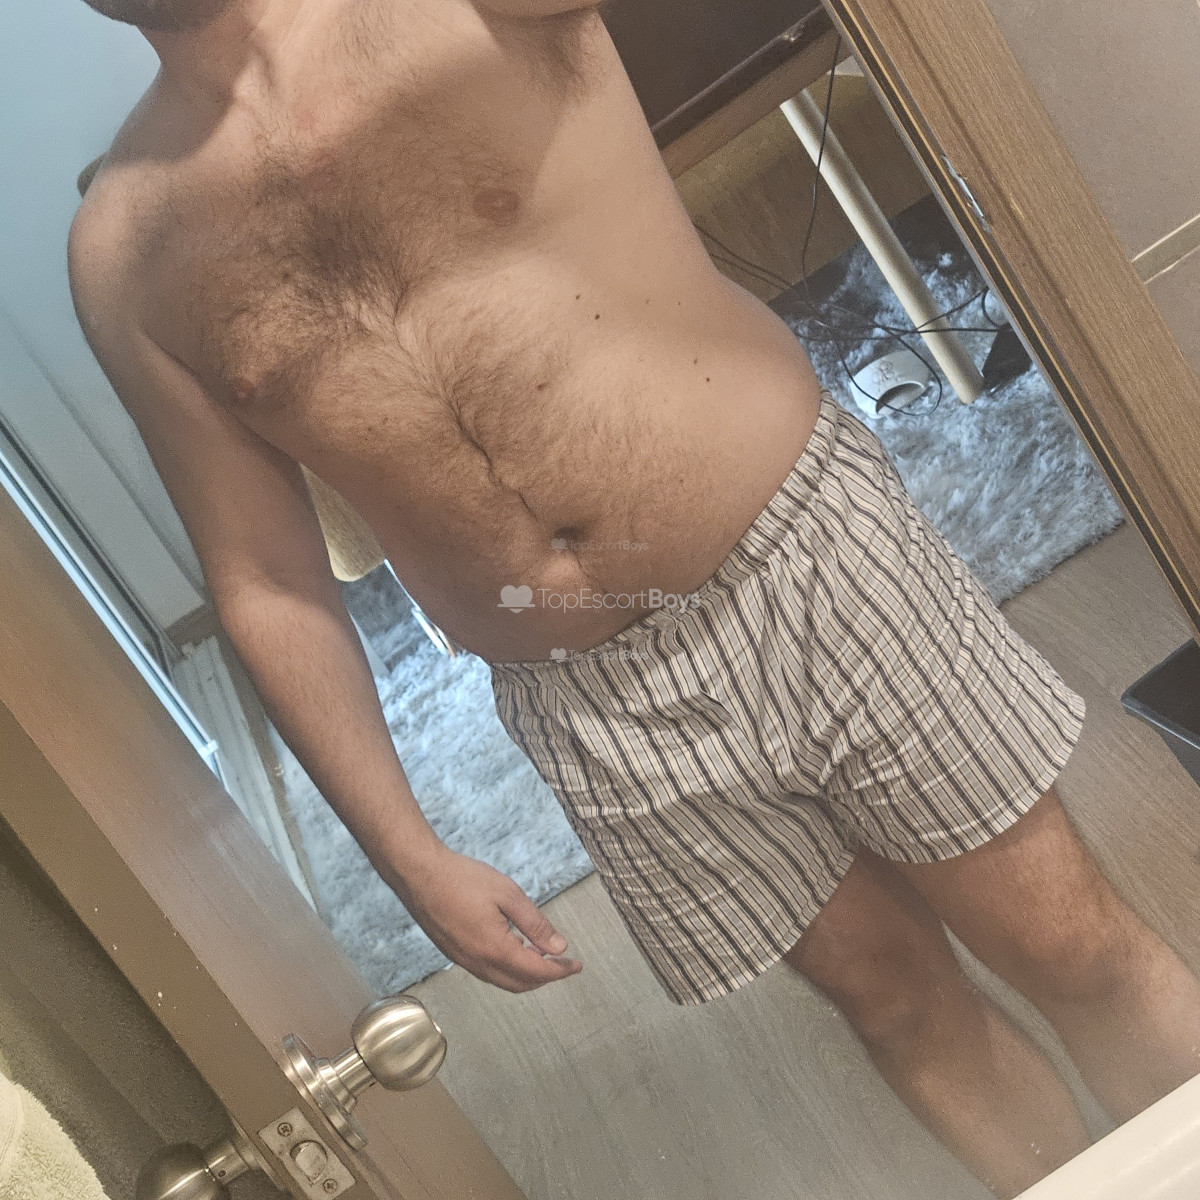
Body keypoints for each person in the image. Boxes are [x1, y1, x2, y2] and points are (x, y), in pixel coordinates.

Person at [68, 1, 1200, 1194]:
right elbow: (265, 577)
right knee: (899, 1006)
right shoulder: (125, 249)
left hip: (806, 560)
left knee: (1067, 944)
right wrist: (407, 855)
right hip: (595, 709)